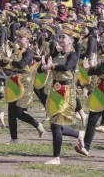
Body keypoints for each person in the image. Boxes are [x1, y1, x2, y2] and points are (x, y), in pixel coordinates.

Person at [41, 28, 85, 165]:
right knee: (55, 125)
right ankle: (79, 134)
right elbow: (44, 65)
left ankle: (56, 158)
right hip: (55, 91)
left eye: (64, 37)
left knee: (55, 125)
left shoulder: (73, 55)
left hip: (66, 91)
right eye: (59, 37)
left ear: (71, 40)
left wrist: (51, 67)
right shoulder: (56, 53)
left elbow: (67, 67)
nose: (60, 39)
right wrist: (43, 66)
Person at [1, 28, 45, 144]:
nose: (18, 39)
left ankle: (37, 124)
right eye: (18, 37)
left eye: (21, 37)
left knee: (19, 112)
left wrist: (9, 60)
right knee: (11, 111)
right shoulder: (15, 51)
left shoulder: (29, 52)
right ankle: (14, 138)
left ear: (28, 39)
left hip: (25, 82)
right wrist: (6, 58)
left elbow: (21, 64)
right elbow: (2, 63)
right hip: (13, 81)